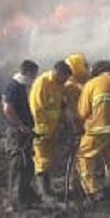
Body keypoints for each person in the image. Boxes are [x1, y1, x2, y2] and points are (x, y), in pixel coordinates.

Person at [75, 60, 110, 204]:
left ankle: (93, 192)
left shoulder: (92, 84)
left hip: (98, 129)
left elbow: (82, 112)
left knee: (84, 156)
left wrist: (79, 126)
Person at [28, 60, 72, 203]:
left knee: (49, 159)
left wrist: (63, 122)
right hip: (42, 130)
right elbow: (37, 108)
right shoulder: (43, 83)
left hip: (52, 129)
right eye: (64, 78)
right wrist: (42, 130)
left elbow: (60, 105)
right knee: (41, 160)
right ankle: (43, 192)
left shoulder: (58, 85)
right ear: (58, 73)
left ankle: (48, 189)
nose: (65, 81)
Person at [1, 59, 39, 211]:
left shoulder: (22, 87)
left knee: (27, 166)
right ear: (28, 72)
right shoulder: (14, 86)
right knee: (18, 165)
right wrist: (20, 126)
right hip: (17, 133)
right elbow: (7, 108)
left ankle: (24, 197)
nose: (35, 76)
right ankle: (15, 203)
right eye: (34, 73)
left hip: (24, 133)